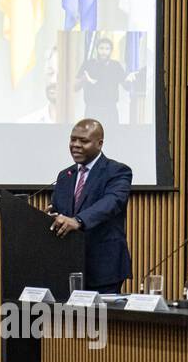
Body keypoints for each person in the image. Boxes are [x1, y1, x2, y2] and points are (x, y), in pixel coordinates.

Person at [48, 119, 133, 294]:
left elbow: (111, 202)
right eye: (73, 140)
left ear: (100, 143)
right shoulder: (65, 176)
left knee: (101, 321)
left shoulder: (117, 171)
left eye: (83, 141)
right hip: (67, 268)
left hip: (103, 268)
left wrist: (78, 220)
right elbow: (59, 211)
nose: (75, 145)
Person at [76, 37, 127, 126]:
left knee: (113, 136)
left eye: (107, 49)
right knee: (91, 137)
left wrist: (129, 79)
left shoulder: (116, 65)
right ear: (97, 49)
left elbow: (126, 86)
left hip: (110, 110)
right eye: (101, 48)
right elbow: (75, 87)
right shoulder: (88, 64)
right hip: (92, 109)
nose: (104, 52)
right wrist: (83, 79)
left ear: (111, 51)